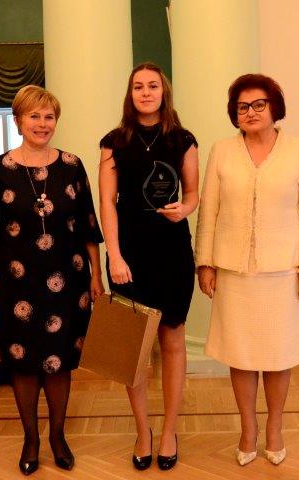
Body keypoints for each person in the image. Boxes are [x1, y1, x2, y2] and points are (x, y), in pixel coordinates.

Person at [0, 85, 104, 475]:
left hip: (68, 281)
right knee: (24, 363)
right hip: (14, 285)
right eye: (34, 116)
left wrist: (97, 276)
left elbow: (88, 225)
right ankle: (31, 439)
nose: (42, 124)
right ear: (18, 121)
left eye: (49, 117)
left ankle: (58, 436)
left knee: (59, 363)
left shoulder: (72, 165)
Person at [195, 74, 299, 466]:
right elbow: (209, 211)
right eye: (242, 107)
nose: (250, 112)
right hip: (234, 272)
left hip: (283, 273)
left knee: (278, 355)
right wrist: (204, 262)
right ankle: (248, 428)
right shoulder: (222, 150)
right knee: (241, 354)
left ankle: (275, 427)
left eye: (258, 105)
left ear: (274, 107)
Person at [99, 63, 199, 471]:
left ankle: (170, 430)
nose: (145, 92)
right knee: (133, 350)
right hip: (129, 255)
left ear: (163, 91)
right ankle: (143, 431)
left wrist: (185, 209)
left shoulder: (182, 139)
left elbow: (193, 193)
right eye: (138, 86)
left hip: (173, 251)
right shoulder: (114, 141)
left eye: (152, 85)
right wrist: (114, 255)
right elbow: (107, 203)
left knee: (173, 342)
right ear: (130, 94)